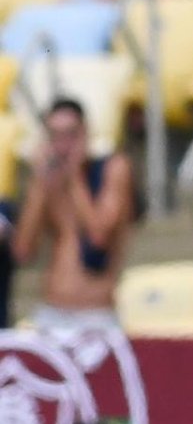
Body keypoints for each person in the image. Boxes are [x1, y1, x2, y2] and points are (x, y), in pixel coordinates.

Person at [12, 99, 135, 331]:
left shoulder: (113, 169)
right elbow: (22, 251)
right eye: (55, 136)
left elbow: (99, 237)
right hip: (52, 311)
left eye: (70, 135)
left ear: (85, 133)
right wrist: (38, 186)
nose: (63, 145)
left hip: (97, 315)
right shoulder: (48, 182)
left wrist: (75, 179)